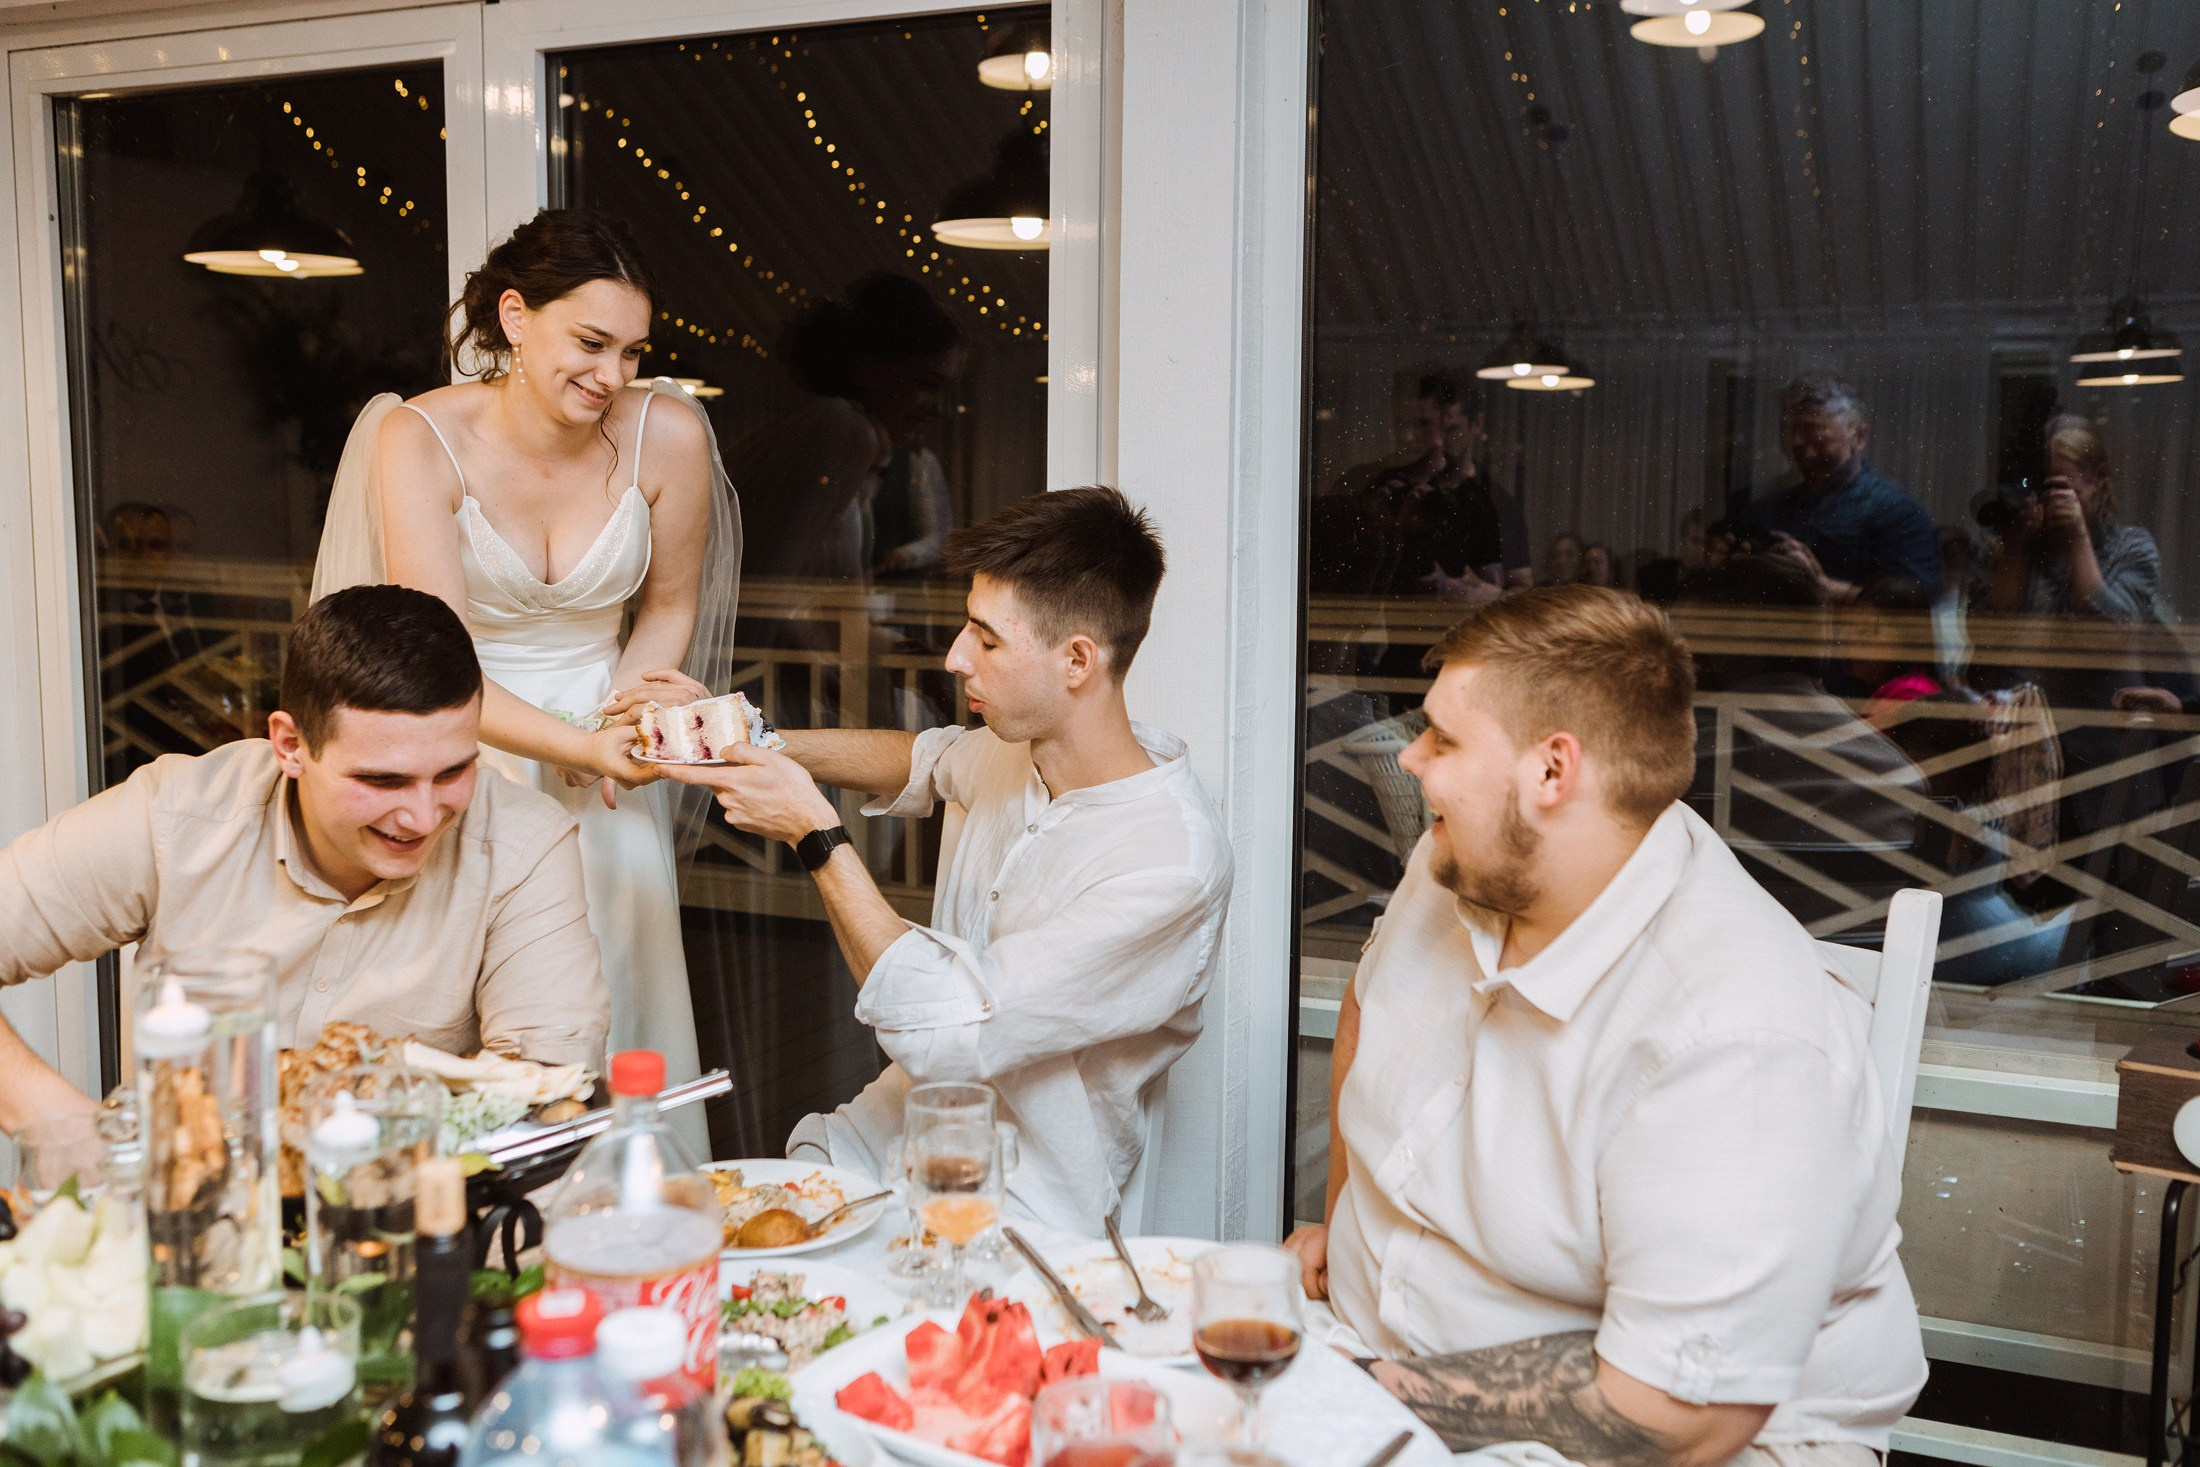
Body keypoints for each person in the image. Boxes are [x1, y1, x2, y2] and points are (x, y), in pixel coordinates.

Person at [1284, 585, 1924, 1466]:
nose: (1410, 759)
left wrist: (1342, 1396)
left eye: (1443, 737)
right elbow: (1371, 1010)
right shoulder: (1461, 856)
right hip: (1382, 1369)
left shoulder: (1734, 1031)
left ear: (1553, 770)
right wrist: (1354, 1239)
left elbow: (1670, 1411)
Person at [659, 488, 1233, 1231]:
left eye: (987, 640)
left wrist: (814, 832)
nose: (956, 656)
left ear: (1078, 660)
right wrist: (745, 734)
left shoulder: (1167, 864)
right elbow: (926, 759)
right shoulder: (1014, 747)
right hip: (878, 1142)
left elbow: (940, 1028)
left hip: (1017, 1208)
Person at [311, 209, 740, 1153]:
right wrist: (575, 744)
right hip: (466, 750)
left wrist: (621, 717)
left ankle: (633, 1220)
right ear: (515, 317)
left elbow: (669, 605)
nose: (614, 375)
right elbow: (439, 654)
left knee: (620, 986)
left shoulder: (666, 434)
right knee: (477, 1003)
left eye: (633, 351)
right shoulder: (417, 438)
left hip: (611, 765)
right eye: (591, 343)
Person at [0, 585, 609, 1132]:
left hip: (424, 1213)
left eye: (453, 771)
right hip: (200, 1220)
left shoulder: (526, 849)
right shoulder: (177, 818)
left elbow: (548, 1098)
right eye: (383, 781)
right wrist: (57, 1120)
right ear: (291, 746)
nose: (423, 818)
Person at [729, 273, 966, 587]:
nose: (937, 408)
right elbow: (767, 587)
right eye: (926, 384)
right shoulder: (840, 430)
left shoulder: (837, 428)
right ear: (868, 367)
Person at [1742, 375, 1939, 601]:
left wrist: (1821, 585)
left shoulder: (1896, 511)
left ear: (1859, 436)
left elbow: (1912, 604)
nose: (1799, 445)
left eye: (1815, 435)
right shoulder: (1770, 505)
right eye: (1792, 432)